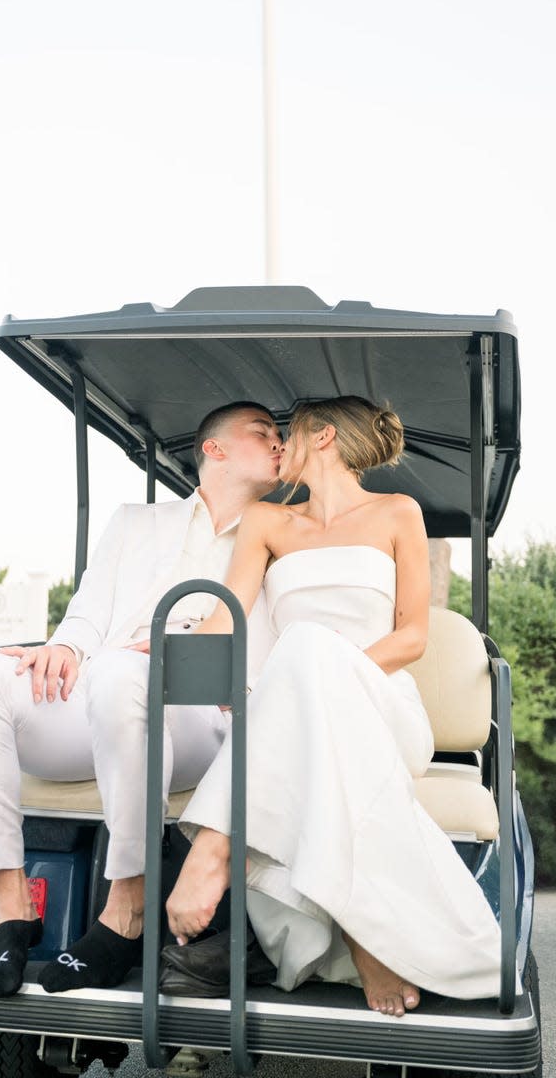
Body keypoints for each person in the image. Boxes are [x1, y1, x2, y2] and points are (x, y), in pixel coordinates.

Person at [161, 396, 505, 1017]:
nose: (277, 448)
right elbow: (224, 619)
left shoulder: (398, 512)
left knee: (307, 649)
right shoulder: (267, 523)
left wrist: (332, 676)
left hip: (381, 703)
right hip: (296, 714)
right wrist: (141, 645)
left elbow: (412, 636)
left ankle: (212, 850)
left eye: (284, 434)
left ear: (320, 437)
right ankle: (360, 931)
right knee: (300, 659)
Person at [0, 401, 284, 997]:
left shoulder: (283, 532)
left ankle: (126, 909)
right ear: (215, 449)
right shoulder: (135, 522)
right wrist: (66, 646)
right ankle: (12, 909)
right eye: (263, 433)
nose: (279, 444)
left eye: (282, 437)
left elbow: (275, 639)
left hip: (207, 718)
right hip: (105, 694)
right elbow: (90, 608)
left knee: (123, 673)